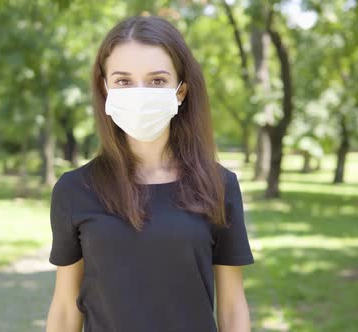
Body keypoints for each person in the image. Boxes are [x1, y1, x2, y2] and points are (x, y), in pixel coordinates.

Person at [46, 14, 254, 332]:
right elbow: (64, 307)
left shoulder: (219, 185)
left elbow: (233, 307)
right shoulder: (74, 190)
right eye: (123, 81)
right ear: (105, 89)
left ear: (181, 91)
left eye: (157, 80)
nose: (139, 93)